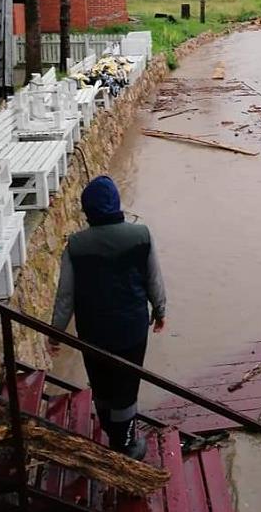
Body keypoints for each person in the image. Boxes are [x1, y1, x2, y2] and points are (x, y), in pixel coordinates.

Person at [49, 175, 166, 461]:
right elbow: (154, 280)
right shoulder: (141, 235)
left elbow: (65, 297)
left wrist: (55, 334)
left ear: (87, 209)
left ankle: (110, 431)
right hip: (132, 330)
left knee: (101, 383)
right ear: (116, 203)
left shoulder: (76, 245)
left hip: (93, 332)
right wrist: (160, 311)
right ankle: (126, 446)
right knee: (126, 387)